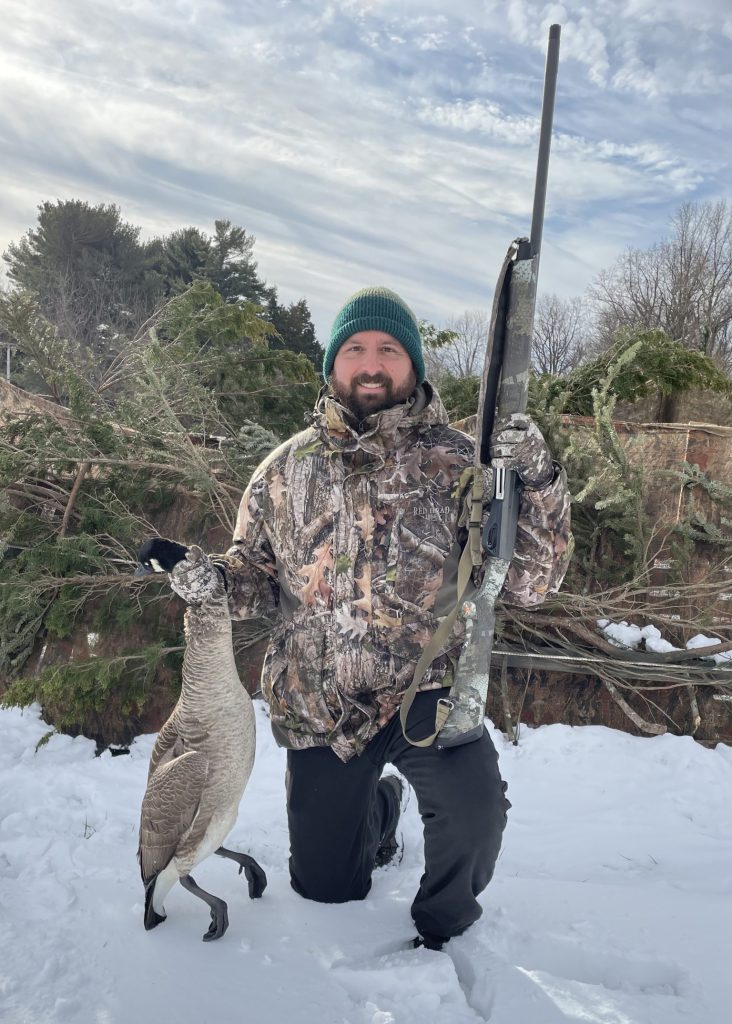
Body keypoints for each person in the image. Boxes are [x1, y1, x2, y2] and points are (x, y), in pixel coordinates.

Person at [151, 286, 572, 951]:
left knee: (475, 818)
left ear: (412, 365)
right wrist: (210, 582)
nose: (371, 363)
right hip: (324, 710)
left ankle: (444, 926)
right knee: (325, 887)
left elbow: (530, 583)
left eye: (388, 349)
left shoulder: (465, 465)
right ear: (332, 366)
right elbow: (252, 583)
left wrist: (539, 481)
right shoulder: (283, 473)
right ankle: (380, 811)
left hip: (428, 697)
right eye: (355, 349)